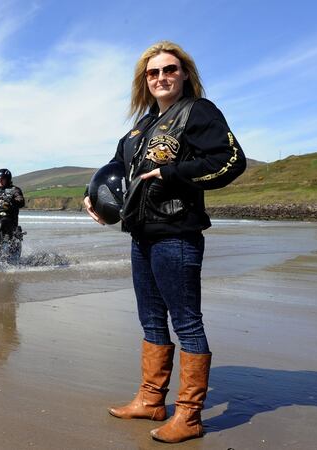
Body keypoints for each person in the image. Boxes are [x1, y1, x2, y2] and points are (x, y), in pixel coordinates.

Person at [83, 41, 246, 443]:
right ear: (145, 80)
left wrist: (172, 174)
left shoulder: (199, 111)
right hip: (141, 235)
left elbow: (229, 161)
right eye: (153, 73)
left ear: (184, 73)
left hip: (177, 234)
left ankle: (189, 416)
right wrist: (94, 199)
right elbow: (116, 171)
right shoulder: (139, 127)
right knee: (151, 320)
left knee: (187, 322)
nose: (161, 78)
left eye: (169, 69)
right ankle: (152, 400)